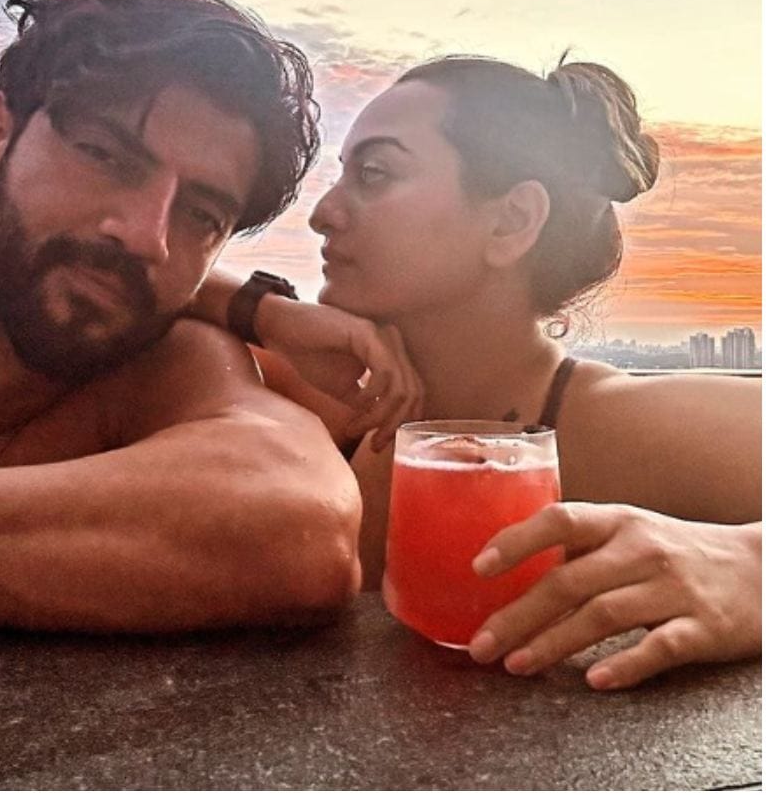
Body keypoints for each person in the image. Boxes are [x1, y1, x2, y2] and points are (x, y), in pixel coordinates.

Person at [194, 54, 761, 689]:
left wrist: (750, 566)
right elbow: (136, 283)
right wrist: (262, 311)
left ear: (511, 221)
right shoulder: (316, 385)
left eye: (374, 174)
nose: (323, 214)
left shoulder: (605, 425)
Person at [0, 0, 422, 633]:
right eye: (104, 155)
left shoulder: (160, 359)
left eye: (202, 214)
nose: (146, 237)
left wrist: (254, 311)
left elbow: (299, 523)